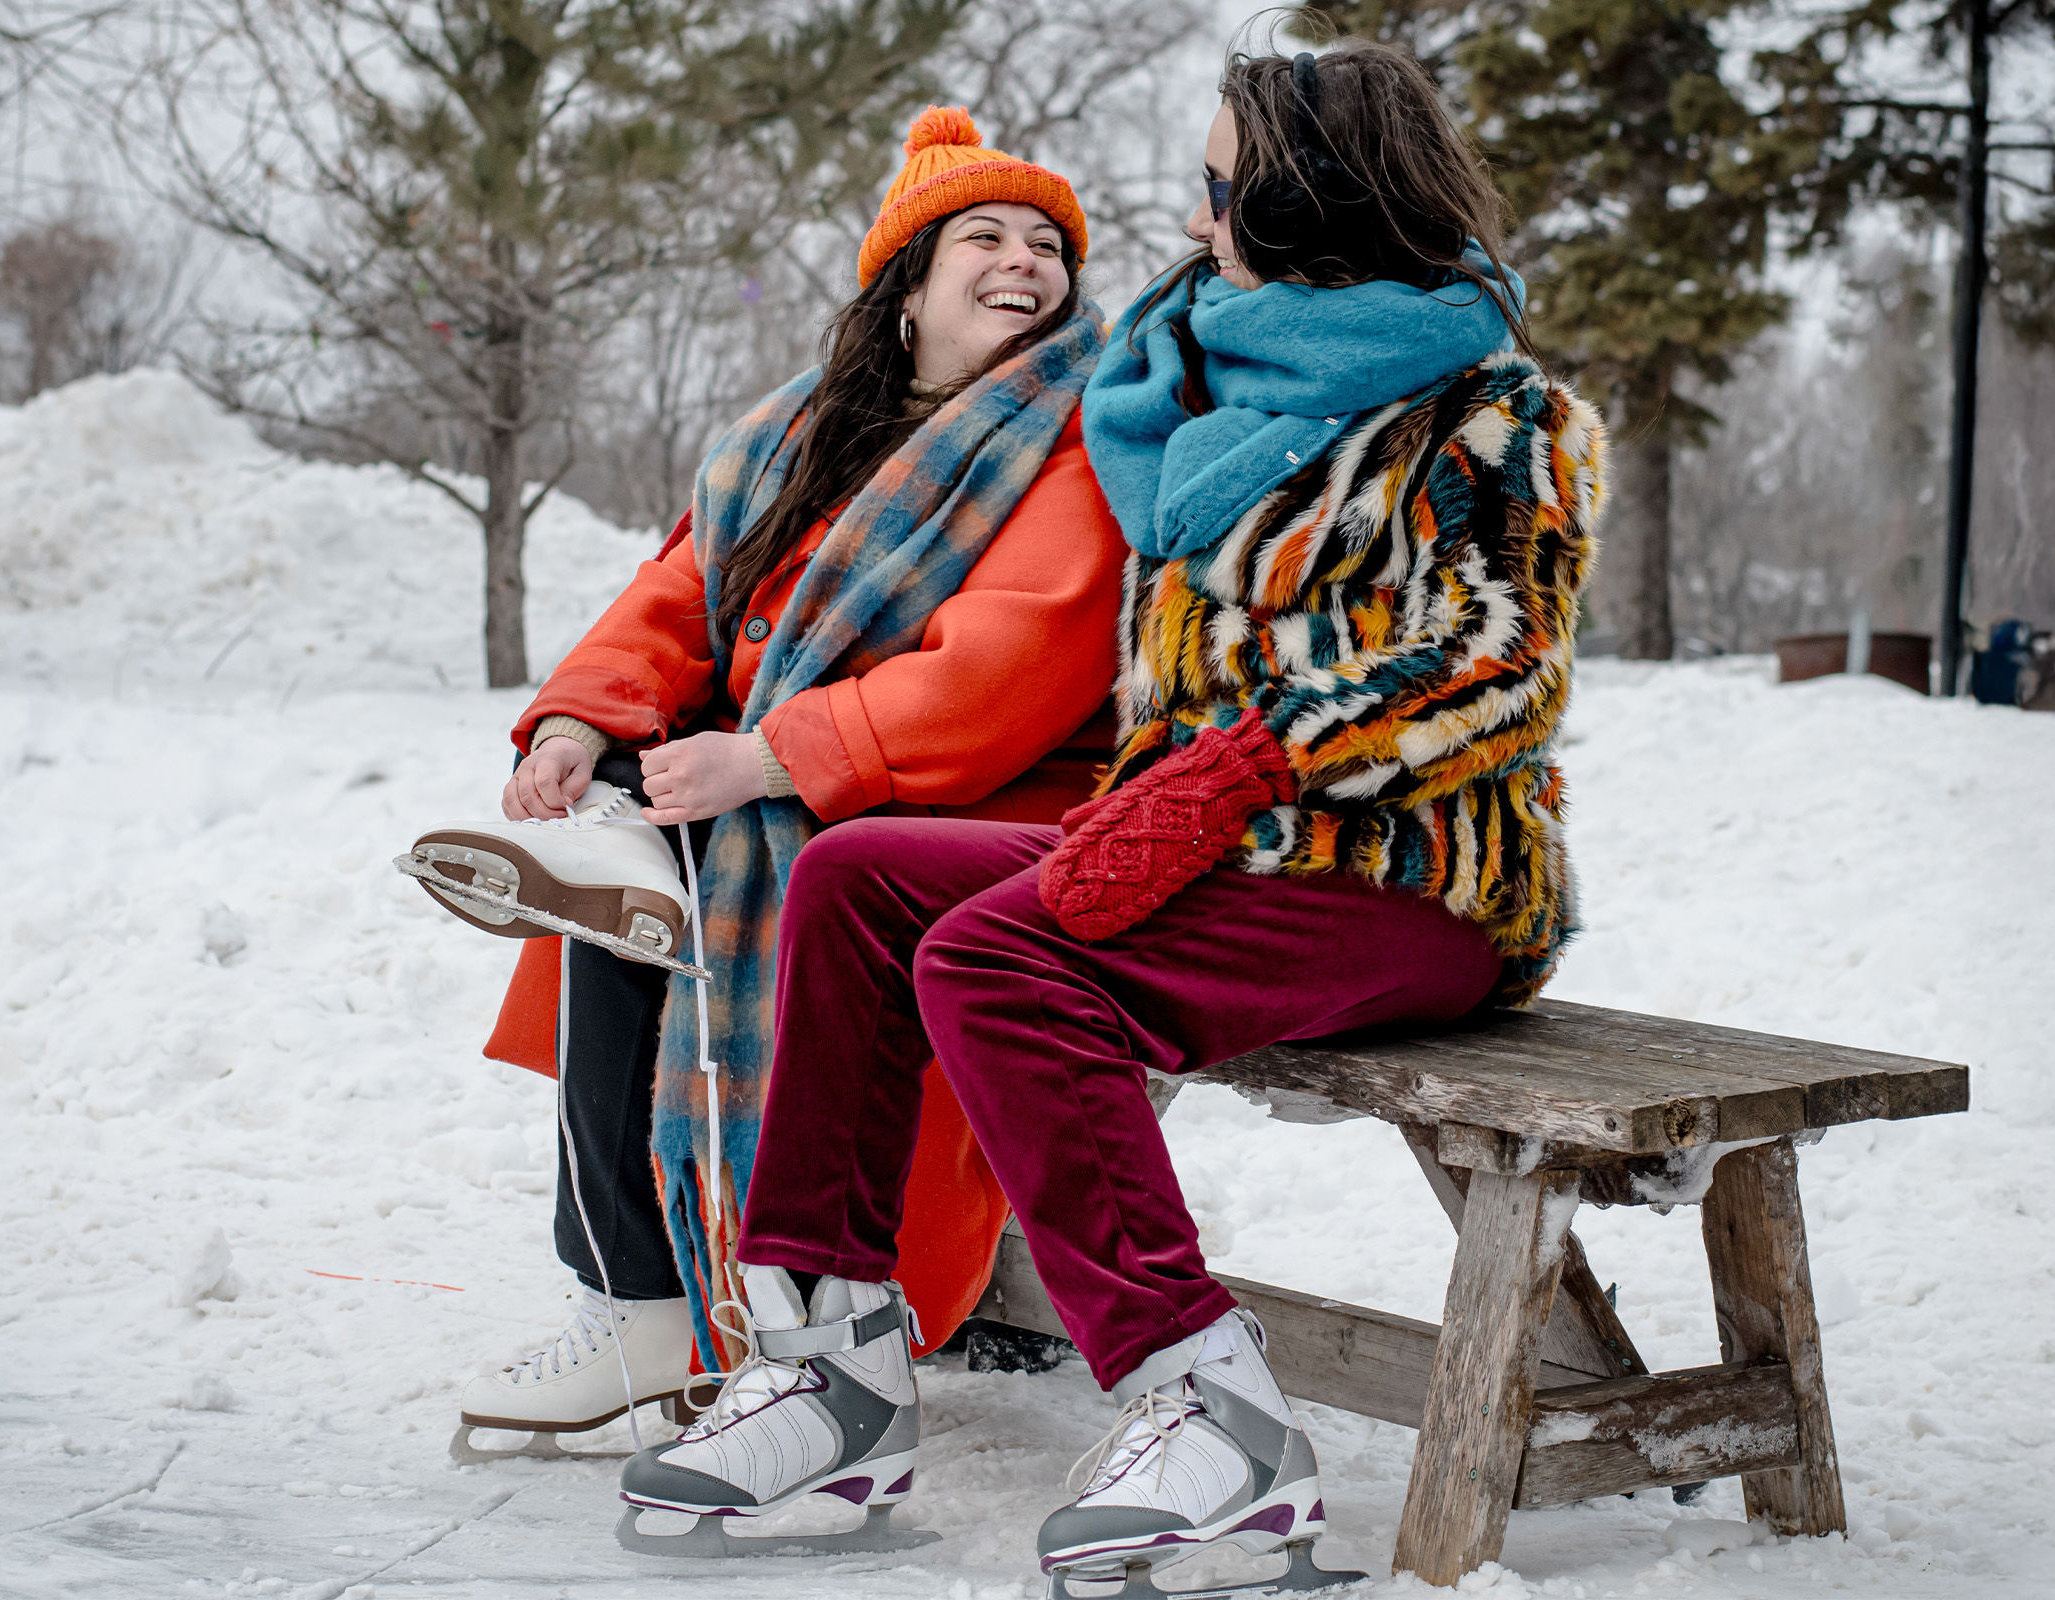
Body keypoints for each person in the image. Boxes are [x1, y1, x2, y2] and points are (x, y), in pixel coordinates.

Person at [618, 38, 1608, 1586]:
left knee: (997, 958)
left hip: (1400, 873)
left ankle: (1208, 1398)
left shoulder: (1493, 411)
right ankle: (835, 1359)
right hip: (1194, 833)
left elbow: (1501, 664)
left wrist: (1254, 764)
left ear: (1301, 193)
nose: (1199, 213)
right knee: (863, 879)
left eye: (1222, 180)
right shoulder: (1183, 380)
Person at [421, 106, 1127, 1454]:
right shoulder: (794, 436)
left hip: (975, 802)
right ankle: (638, 1293)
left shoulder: (1074, 438)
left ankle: (716, 1310)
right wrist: (579, 722)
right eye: (983, 234)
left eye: (1048, 243)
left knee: (690, 859)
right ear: (904, 283)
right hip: (793, 786)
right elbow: (678, 599)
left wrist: (773, 754)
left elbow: (1012, 669)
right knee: (625, 850)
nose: (1027, 261)